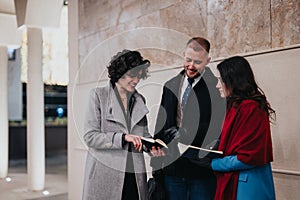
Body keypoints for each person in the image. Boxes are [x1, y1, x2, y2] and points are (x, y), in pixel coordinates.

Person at [151, 37, 225, 200]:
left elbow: (218, 126)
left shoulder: (216, 87)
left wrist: (186, 133)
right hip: (172, 167)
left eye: (197, 62)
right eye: (188, 59)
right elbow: (162, 121)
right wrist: (156, 145)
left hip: (202, 170)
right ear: (183, 55)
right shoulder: (170, 84)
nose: (191, 66)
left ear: (208, 61)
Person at [82, 49, 154, 200]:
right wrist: (122, 138)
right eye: (132, 75)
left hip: (134, 174)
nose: (136, 81)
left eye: (139, 76)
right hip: (106, 174)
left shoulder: (139, 99)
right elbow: (90, 137)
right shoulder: (97, 96)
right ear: (119, 73)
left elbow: (144, 135)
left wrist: (152, 147)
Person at [211, 56, 276, 200]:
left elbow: (249, 157)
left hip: (247, 185)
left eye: (221, 80)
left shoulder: (250, 108)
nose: (217, 85)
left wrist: (213, 163)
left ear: (233, 81)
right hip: (238, 181)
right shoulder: (236, 107)